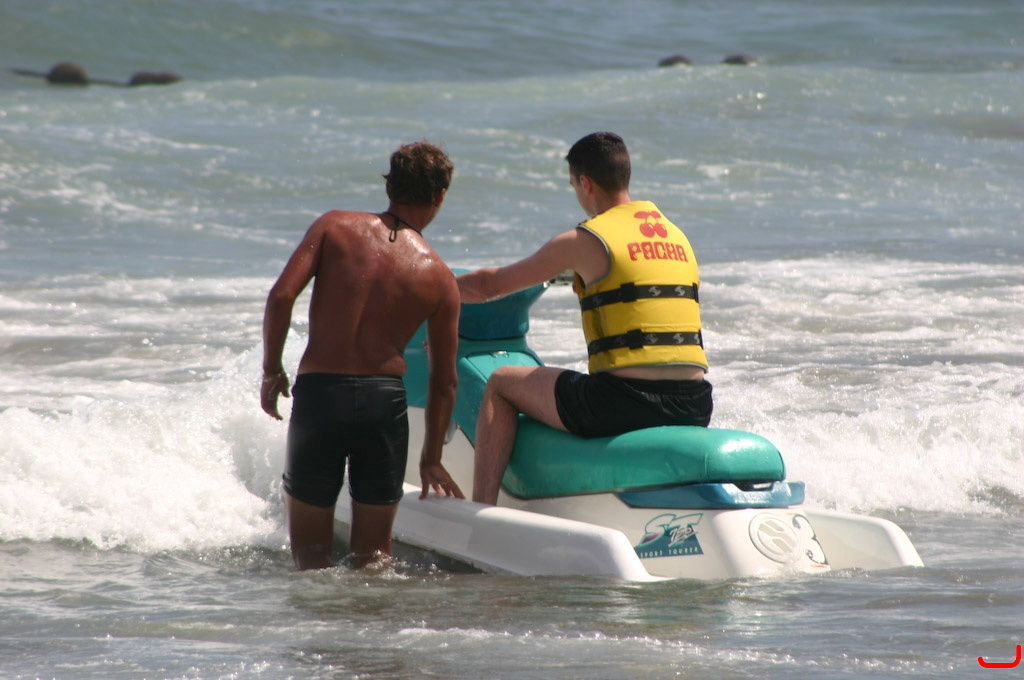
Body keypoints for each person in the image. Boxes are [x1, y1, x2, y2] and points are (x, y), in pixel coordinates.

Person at [457, 132, 713, 505]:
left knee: (500, 382)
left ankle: (482, 513)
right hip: (695, 404)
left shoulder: (583, 240)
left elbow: (490, 285)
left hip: (621, 404)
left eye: (573, 186)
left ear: (585, 183)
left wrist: (434, 287)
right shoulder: (676, 236)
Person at [261, 140, 465, 570]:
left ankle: (316, 616)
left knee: (310, 556)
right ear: (440, 196)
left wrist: (272, 370)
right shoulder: (440, 277)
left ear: (389, 185)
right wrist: (430, 458)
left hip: (321, 396)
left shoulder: (333, 227)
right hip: (382, 406)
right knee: (373, 560)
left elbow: (280, 297)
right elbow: (445, 382)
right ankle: (370, 616)